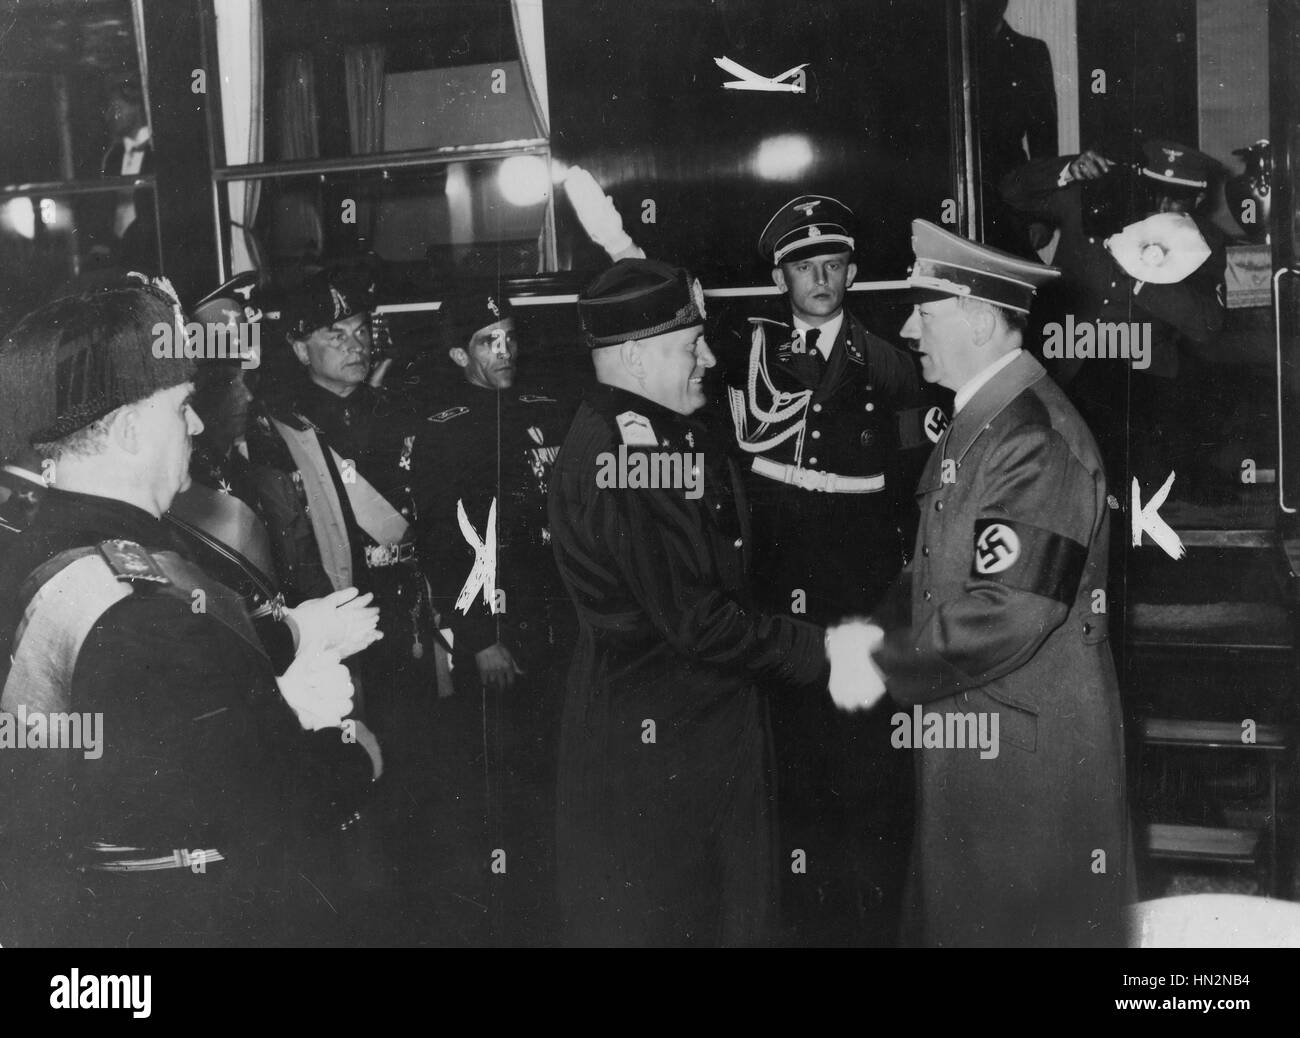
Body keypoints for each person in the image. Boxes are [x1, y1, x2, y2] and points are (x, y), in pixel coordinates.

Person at [0, 278, 372, 947]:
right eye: (181, 408)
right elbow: (247, 794)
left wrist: (289, 634)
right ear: (135, 427)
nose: (197, 425)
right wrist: (337, 743)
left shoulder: (53, 540)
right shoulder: (134, 604)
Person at [549, 257, 881, 947]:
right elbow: (698, 620)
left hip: (677, 730)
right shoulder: (629, 454)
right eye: (688, 345)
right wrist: (822, 649)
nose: (706, 358)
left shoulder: (639, 431)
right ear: (636, 358)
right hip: (672, 745)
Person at [862, 220, 1130, 947]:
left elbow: (1009, 609)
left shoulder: (1032, 436)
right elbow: (930, 573)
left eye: (925, 307)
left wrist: (879, 659)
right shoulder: (980, 424)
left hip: (1026, 760)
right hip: (983, 740)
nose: (908, 325)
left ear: (981, 317)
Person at [723, 194, 941, 943]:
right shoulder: (747, 355)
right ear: (781, 278)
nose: (821, 276)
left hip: (859, 587)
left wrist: (902, 594)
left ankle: (871, 924)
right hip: (774, 587)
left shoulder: (892, 365)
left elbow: (916, 488)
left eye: (834, 263)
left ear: (852, 270)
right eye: (803, 266)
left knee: (866, 771)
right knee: (791, 773)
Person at [411, 289, 570, 944]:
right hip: (497, 631)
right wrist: (478, 639)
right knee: (500, 792)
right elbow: (447, 548)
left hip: (556, 623)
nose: (504, 350)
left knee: (556, 779)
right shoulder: (446, 431)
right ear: (459, 354)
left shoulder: (547, 411)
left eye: (508, 335)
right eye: (487, 340)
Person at [1000, 138, 1227, 494]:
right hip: (1064, 372)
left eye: (1177, 198)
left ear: (1197, 200)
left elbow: (1207, 325)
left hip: (1140, 385)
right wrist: (1068, 169)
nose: (1162, 206)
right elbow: (1012, 191)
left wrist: (1140, 278)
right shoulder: (1094, 202)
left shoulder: (1203, 241)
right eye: (1156, 193)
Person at [972, 0, 1058, 256]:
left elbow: (1044, 141)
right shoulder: (947, 51)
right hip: (956, 196)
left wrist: (1043, 216)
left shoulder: (1029, 53)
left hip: (1012, 197)